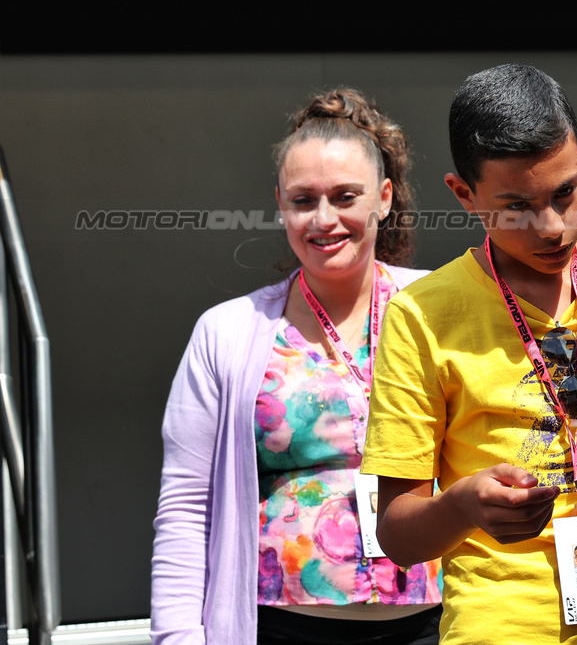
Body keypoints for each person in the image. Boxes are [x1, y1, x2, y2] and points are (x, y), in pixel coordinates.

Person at [360, 64, 577, 645]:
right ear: (463, 194)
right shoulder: (421, 315)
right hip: (499, 626)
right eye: (517, 206)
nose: (552, 226)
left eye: (565, 192)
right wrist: (465, 505)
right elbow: (398, 535)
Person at [151, 89, 442, 644]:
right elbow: (187, 507)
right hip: (280, 627)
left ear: (383, 198)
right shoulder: (227, 332)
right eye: (304, 200)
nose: (325, 219)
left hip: (436, 623)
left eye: (345, 196)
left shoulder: (442, 309)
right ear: (279, 204)